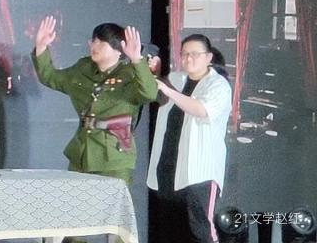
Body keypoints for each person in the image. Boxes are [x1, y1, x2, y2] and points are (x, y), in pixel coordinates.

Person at [32, 16, 158, 185]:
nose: (94, 46)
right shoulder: (82, 69)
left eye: (101, 43)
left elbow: (149, 93)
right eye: (93, 41)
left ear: (119, 50)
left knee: (110, 201)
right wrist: (41, 47)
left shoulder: (131, 74)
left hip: (113, 156)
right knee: (76, 200)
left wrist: (137, 60)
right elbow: (51, 77)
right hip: (82, 153)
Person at [147, 34, 232, 243]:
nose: (188, 58)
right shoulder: (176, 78)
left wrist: (169, 91)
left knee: (201, 229)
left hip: (200, 171)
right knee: (172, 229)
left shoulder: (218, 85)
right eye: (184, 54)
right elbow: (155, 93)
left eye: (195, 54)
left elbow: (201, 110)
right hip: (168, 167)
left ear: (208, 57)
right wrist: (152, 72)